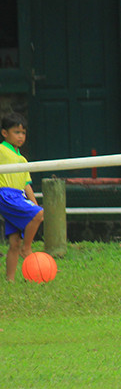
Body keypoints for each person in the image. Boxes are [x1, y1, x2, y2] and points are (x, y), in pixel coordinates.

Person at [0, 112, 43, 282]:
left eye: (23, 133)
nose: (20, 136)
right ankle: (27, 248)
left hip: (18, 196)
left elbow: (26, 184)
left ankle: (10, 279)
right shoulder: (2, 150)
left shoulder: (23, 159)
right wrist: (37, 211)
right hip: (5, 194)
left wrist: (34, 203)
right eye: (16, 132)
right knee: (39, 214)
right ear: (5, 133)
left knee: (14, 242)